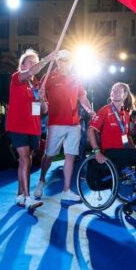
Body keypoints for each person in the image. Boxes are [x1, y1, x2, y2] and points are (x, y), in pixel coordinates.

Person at [88, 82, 136, 209]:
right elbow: (90, 131)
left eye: (118, 90)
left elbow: (126, 137)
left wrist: (135, 150)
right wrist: (96, 151)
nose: (115, 92)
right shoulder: (105, 110)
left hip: (123, 152)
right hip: (110, 152)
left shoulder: (125, 114)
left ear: (125, 95)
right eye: (113, 90)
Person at [35, 49, 94, 202]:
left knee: (70, 157)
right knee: (49, 156)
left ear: (71, 62)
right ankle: (41, 181)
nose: (64, 63)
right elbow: (38, 97)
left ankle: (66, 190)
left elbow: (82, 96)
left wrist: (89, 110)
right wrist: (40, 96)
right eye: (61, 60)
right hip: (55, 124)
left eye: (67, 60)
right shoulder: (49, 77)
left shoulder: (76, 79)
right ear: (57, 61)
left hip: (74, 124)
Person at [6, 49, 56, 208]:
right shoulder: (17, 77)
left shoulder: (37, 85)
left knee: (25, 161)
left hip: (33, 128)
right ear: (22, 65)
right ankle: (28, 198)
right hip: (18, 125)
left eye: (36, 61)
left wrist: (41, 99)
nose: (35, 65)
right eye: (31, 62)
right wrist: (48, 58)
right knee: (25, 158)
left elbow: (44, 110)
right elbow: (29, 72)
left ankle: (19, 194)